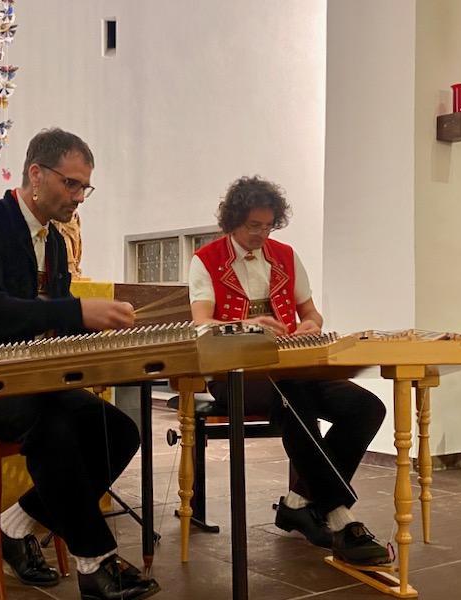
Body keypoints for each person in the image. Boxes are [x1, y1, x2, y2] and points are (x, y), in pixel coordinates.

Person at [0, 128, 160, 600]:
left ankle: (12, 526)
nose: (79, 197)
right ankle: (96, 562)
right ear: (36, 174)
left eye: (85, 187)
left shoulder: (55, 244)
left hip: (17, 377)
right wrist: (77, 311)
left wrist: (103, 331)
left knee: (118, 431)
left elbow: (49, 325)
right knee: (51, 425)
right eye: (71, 183)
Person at [188, 175, 390, 567]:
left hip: (293, 366)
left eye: (269, 226)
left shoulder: (285, 256)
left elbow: (311, 312)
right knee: (293, 396)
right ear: (233, 220)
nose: (262, 234)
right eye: (253, 226)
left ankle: (298, 503)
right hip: (233, 371)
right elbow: (202, 323)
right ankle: (339, 518)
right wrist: (250, 326)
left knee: (367, 407)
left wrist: (310, 323)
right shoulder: (206, 259)